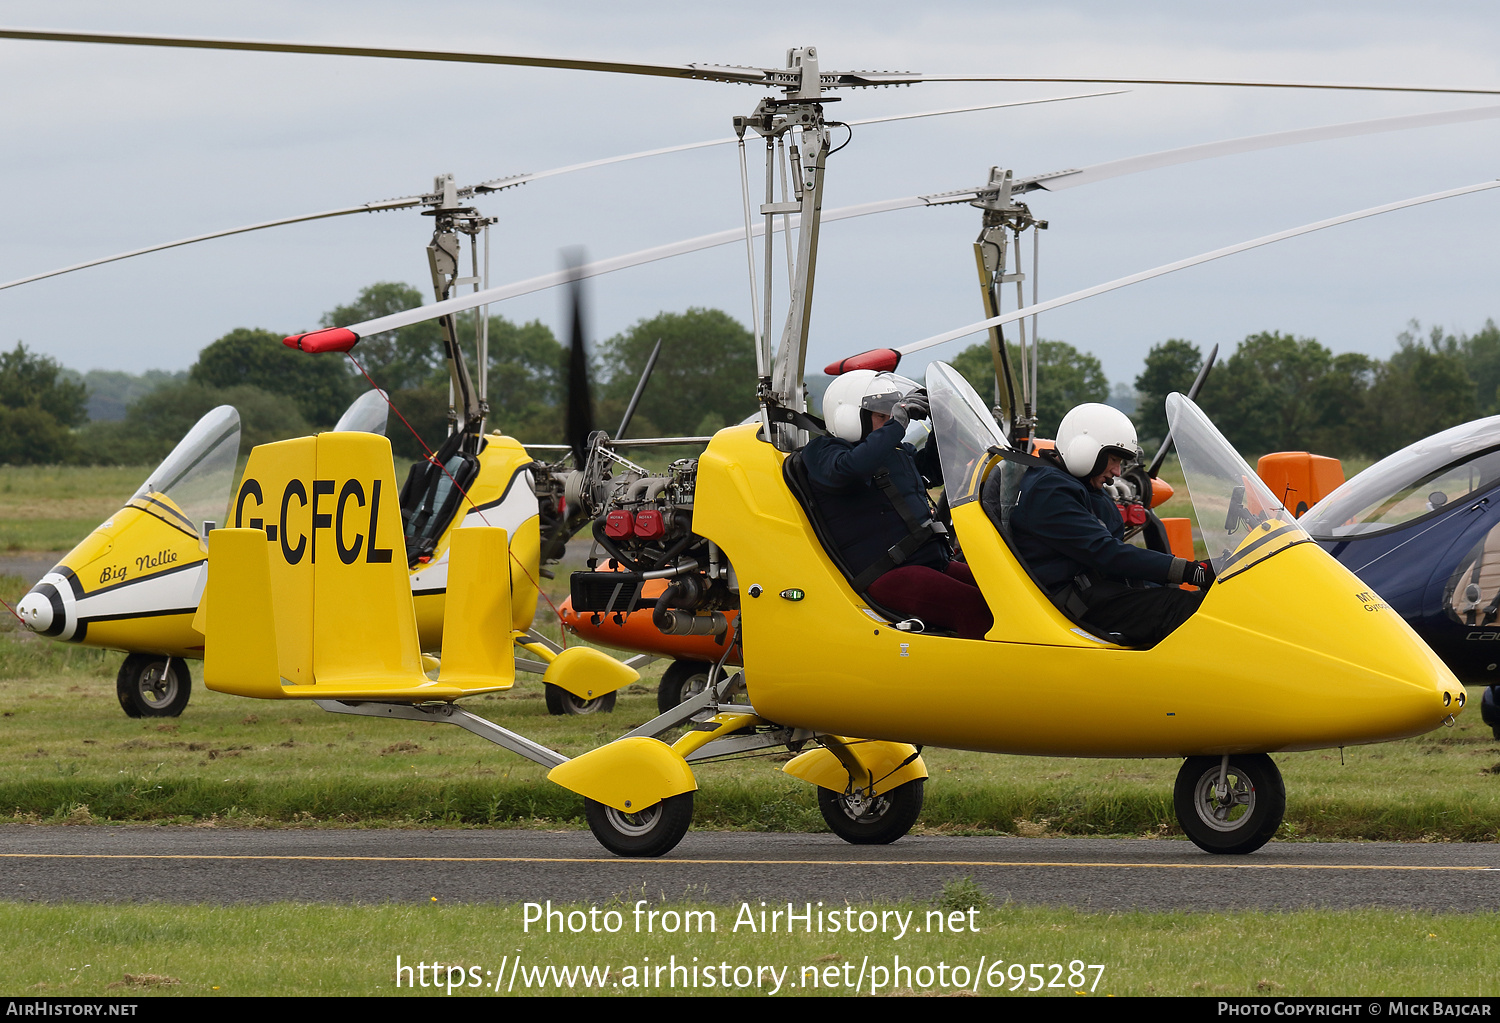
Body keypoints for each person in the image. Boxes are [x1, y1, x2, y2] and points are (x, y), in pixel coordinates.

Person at [803, 370, 994, 640]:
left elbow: (933, 470)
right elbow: (850, 470)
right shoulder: (824, 452)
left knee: (1003, 593)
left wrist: (945, 426)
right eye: (882, 416)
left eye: (891, 416)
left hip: (929, 562)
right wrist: (898, 424)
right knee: (975, 609)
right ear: (849, 415)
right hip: (889, 573)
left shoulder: (893, 451)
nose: (891, 422)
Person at [1008, 402, 1212, 647]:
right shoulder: (1050, 490)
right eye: (1114, 460)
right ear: (1085, 449)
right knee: (1179, 608)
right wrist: (1192, 570)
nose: (1117, 472)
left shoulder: (1069, 482)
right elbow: (1105, 552)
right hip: (1074, 603)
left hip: (1091, 588)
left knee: (1196, 600)